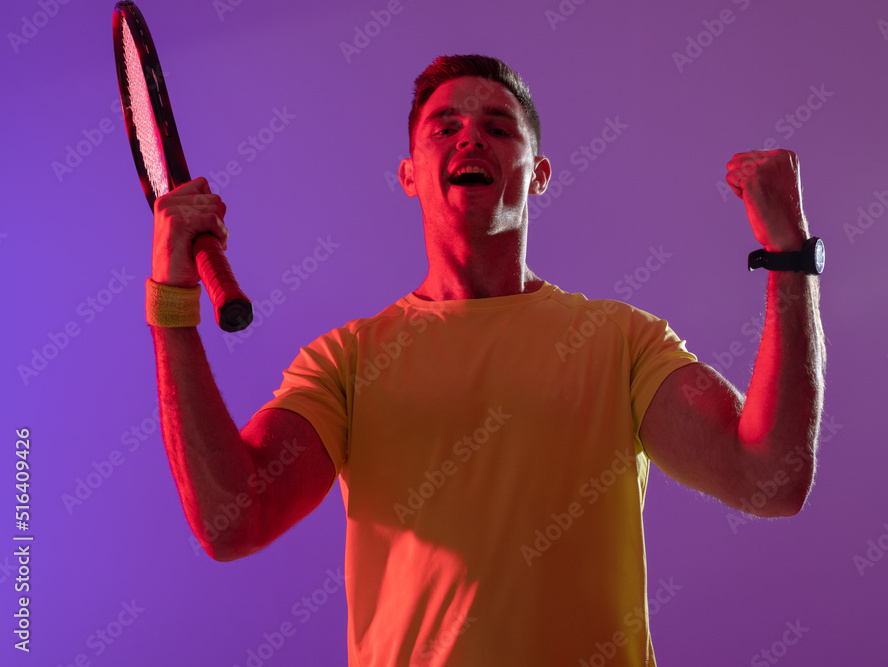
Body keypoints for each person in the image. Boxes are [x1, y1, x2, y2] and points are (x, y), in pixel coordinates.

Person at [147, 54, 825, 665]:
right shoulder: (347, 360)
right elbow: (232, 519)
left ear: (539, 174)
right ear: (409, 174)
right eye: (444, 127)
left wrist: (790, 255)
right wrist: (172, 301)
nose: (470, 136)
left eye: (499, 127)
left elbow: (769, 476)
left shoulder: (622, 340)